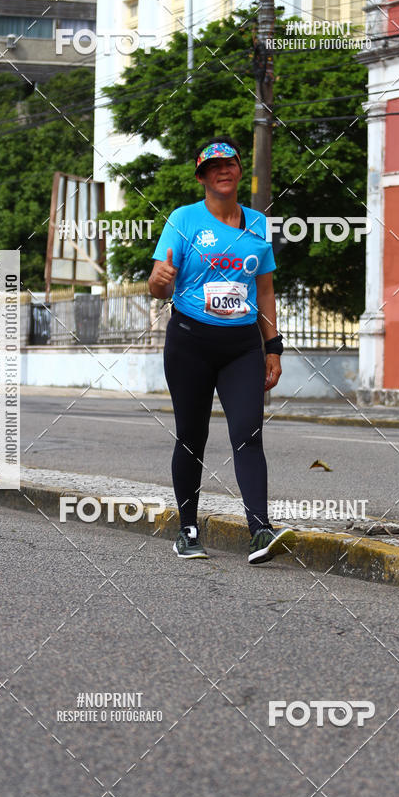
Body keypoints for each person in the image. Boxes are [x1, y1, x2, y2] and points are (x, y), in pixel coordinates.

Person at [148, 136, 296, 564]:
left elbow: (264, 290)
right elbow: (158, 284)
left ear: (237, 170)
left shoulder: (257, 224)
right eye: (214, 168)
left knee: (248, 434)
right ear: (202, 177)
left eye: (229, 164)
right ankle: (188, 530)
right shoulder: (183, 220)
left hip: (241, 348)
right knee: (192, 437)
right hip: (190, 343)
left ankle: (259, 530)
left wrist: (273, 347)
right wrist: (159, 281)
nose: (223, 171)